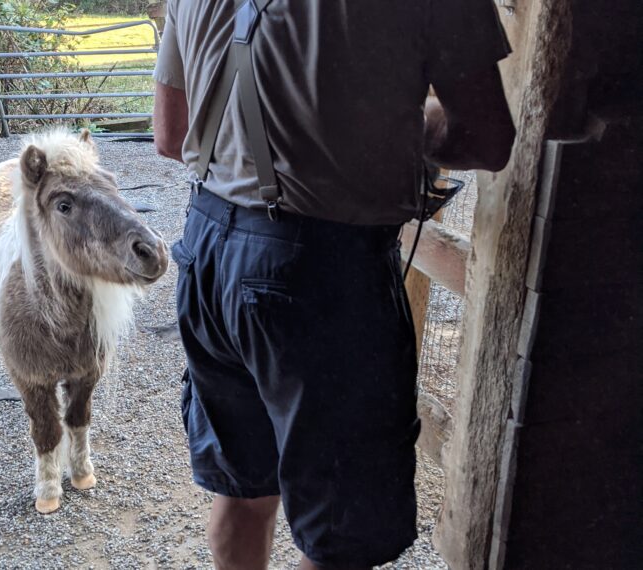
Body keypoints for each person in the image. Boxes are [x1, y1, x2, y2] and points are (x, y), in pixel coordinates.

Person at [152, 1, 515, 568]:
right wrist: (411, 123)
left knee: (244, 490)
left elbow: (171, 135)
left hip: (209, 249)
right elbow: (488, 136)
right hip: (321, 274)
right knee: (340, 536)